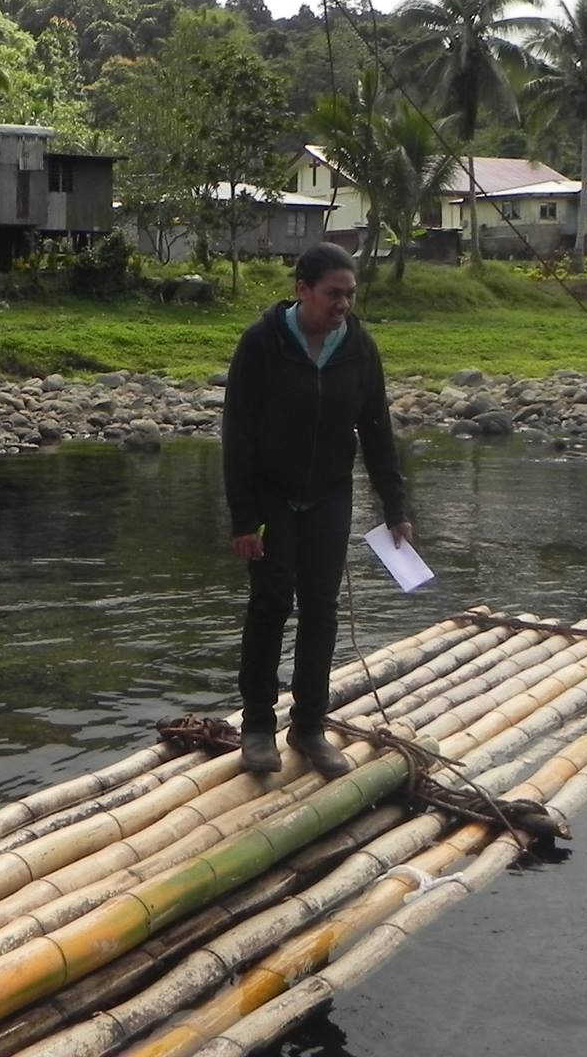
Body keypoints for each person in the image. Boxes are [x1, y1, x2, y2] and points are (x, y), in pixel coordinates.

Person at [220, 241, 413, 778]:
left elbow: (377, 430)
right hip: (270, 495)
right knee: (271, 601)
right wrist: (242, 519)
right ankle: (258, 726)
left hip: (330, 493)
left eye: (350, 295)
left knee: (322, 608)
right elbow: (237, 435)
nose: (343, 305)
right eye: (333, 294)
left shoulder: (359, 347)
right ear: (302, 290)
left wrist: (394, 506)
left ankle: (309, 726)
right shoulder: (261, 344)